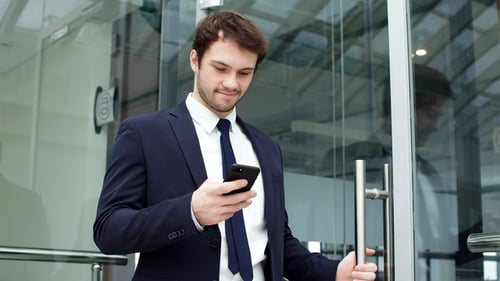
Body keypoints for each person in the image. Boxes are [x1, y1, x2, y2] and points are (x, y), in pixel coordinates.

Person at [93, 10, 377, 281]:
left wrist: (334, 273)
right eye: (220, 68)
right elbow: (108, 230)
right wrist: (190, 212)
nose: (231, 83)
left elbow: (278, 243)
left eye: (244, 73)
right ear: (195, 59)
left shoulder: (266, 148)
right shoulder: (144, 134)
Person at [321, 63, 455, 280]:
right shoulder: (347, 162)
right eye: (431, 114)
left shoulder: (430, 175)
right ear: (404, 108)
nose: (436, 125)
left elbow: (439, 244)